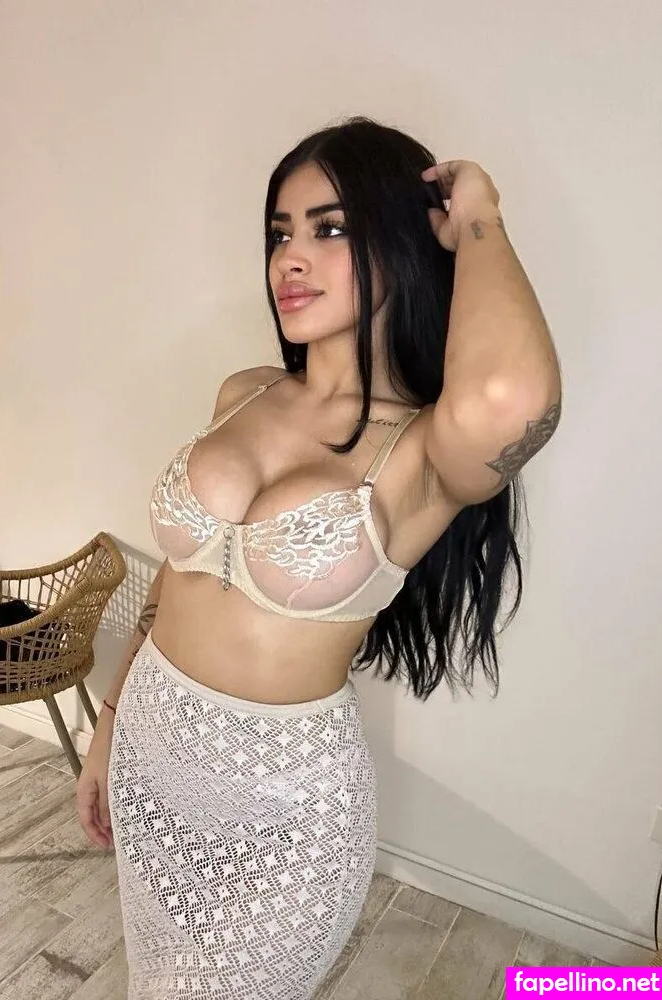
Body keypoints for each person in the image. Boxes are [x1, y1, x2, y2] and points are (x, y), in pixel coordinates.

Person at [77, 116, 562, 998]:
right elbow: (180, 583)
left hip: (287, 815)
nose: (290, 259)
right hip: (149, 754)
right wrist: (109, 721)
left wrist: (478, 214)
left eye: (330, 229)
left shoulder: (425, 453)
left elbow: (511, 395)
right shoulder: (244, 392)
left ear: (404, 245)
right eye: (280, 234)